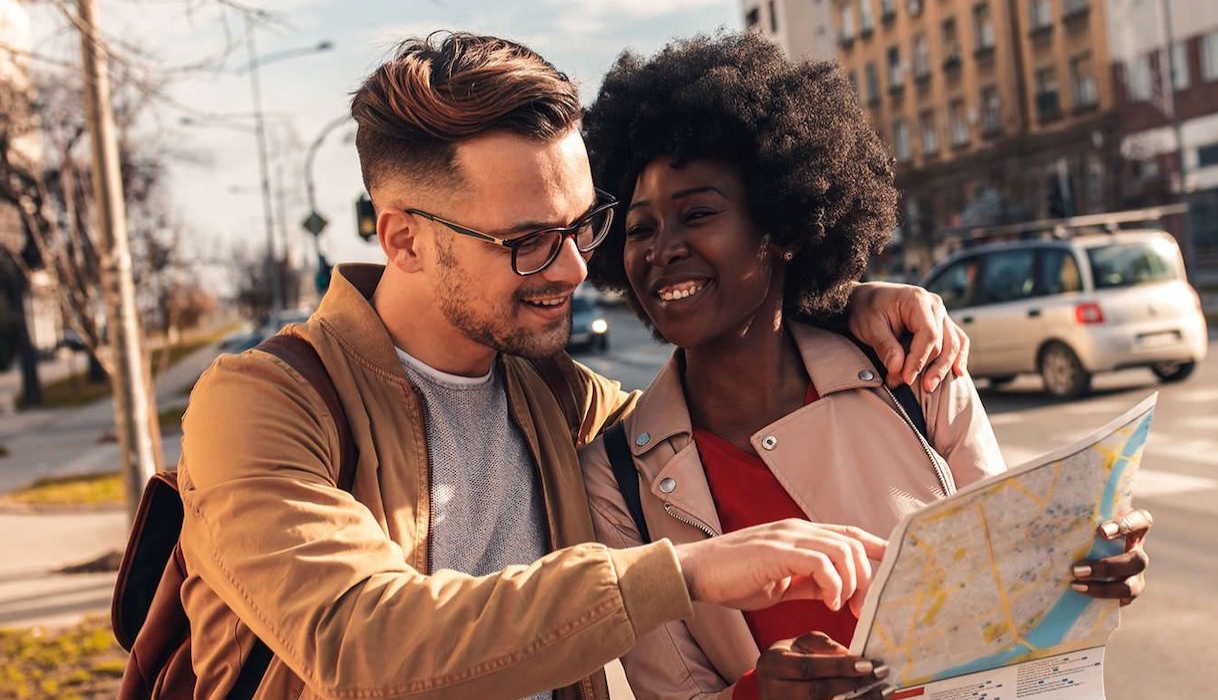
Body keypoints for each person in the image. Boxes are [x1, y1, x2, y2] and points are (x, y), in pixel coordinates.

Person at [175, 32, 975, 700]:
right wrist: (684, 573)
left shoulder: (557, 397)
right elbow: (363, 642)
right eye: (525, 241)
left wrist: (838, 296)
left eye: (582, 226)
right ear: (404, 240)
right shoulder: (263, 404)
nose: (569, 270)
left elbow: (723, 361)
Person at [579, 34, 1153, 700]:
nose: (663, 249)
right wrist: (759, 695)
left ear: (784, 229)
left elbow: (1013, 587)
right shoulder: (618, 473)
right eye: (641, 229)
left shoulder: (912, 370)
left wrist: (1090, 574)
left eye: (698, 214)